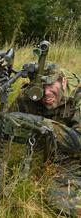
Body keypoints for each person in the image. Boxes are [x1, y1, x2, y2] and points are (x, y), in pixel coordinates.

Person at [9, 63, 81, 216]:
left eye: (50, 85)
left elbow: (78, 142)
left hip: (73, 160)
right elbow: (7, 126)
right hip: (42, 156)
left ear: (63, 81)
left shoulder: (78, 97)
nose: (46, 93)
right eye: (41, 87)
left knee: (65, 202)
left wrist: (40, 123)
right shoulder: (29, 96)